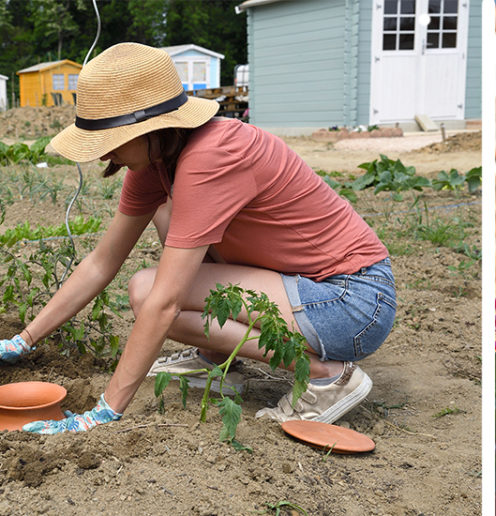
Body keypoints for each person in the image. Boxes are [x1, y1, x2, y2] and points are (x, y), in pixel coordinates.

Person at [0, 43, 396, 434]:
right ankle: (215, 359)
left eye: (109, 142)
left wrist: (104, 411)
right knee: (165, 215)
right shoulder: (155, 162)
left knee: (148, 290)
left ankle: (326, 376)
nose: (104, 157)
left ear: (149, 127)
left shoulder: (213, 155)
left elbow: (166, 301)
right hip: (305, 290)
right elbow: (101, 262)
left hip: (352, 303)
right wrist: (23, 341)